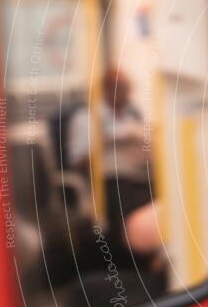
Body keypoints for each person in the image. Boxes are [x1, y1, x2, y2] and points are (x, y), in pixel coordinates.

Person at [67, 66, 166, 273]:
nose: (126, 94)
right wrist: (108, 142)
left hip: (142, 176)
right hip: (111, 181)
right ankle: (139, 257)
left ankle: (157, 256)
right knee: (129, 206)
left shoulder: (133, 114)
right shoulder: (86, 118)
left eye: (128, 89)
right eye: (121, 89)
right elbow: (79, 162)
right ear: (107, 90)